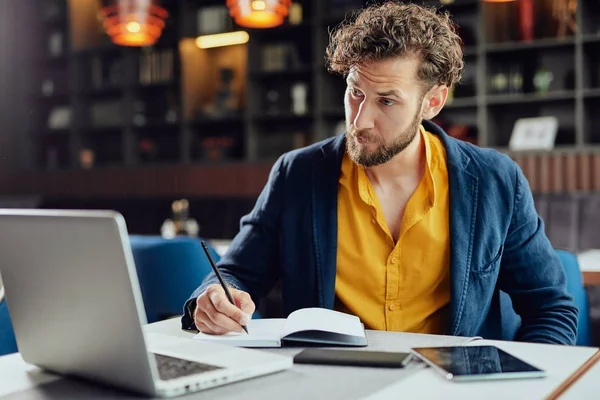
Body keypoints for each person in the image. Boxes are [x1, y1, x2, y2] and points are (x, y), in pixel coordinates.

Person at [182, 1, 578, 344]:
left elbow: (551, 308)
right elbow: (235, 273)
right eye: (355, 92)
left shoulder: (495, 181)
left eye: (386, 101)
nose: (360, 120)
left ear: (433, 102)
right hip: (329, 385)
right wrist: (217, 296)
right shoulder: (297, 174)